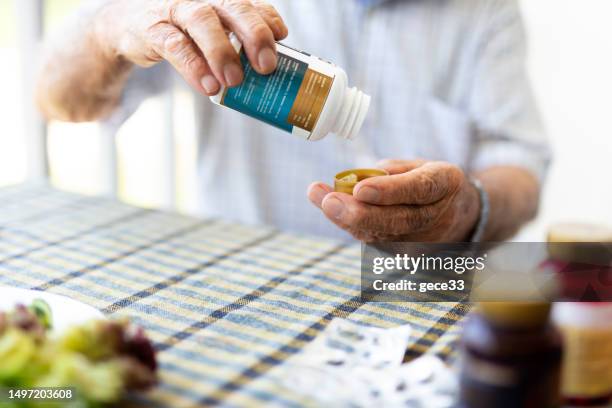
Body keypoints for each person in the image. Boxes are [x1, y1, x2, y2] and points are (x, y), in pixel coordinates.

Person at [36, 0, 550, 242]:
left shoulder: (485, 13)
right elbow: (57, 100)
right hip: (240, 285)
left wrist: (465, 207)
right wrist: (109, 27)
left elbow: (519, 164)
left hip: (415, 289)